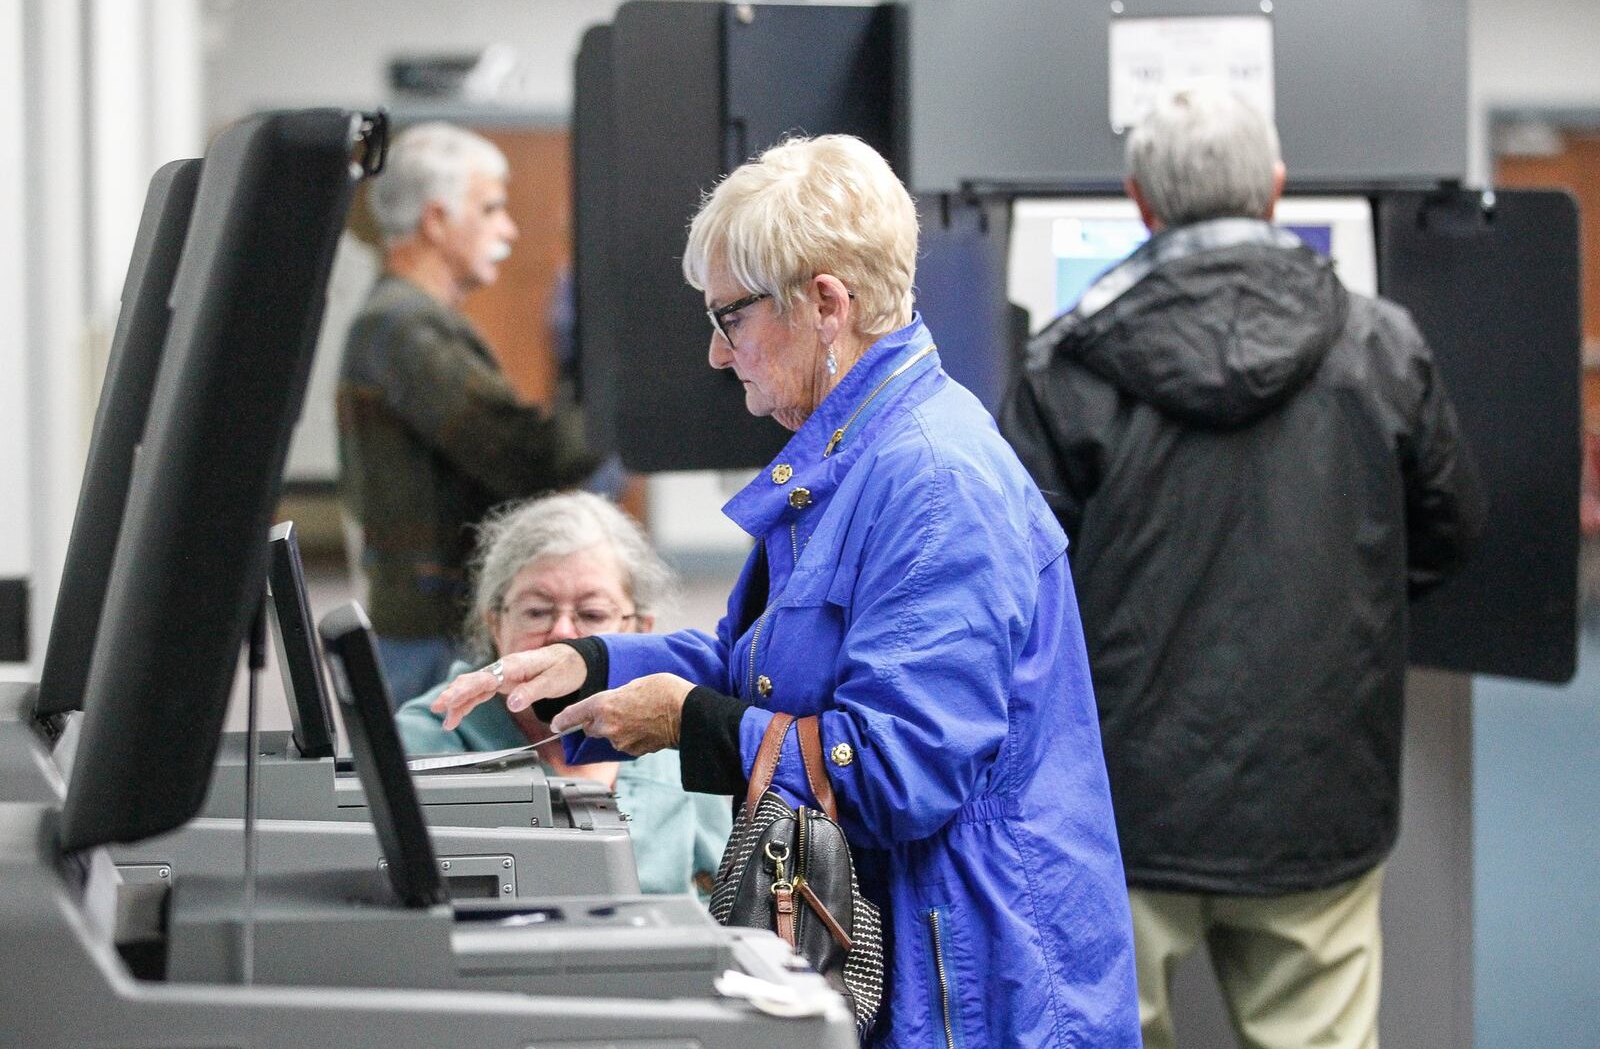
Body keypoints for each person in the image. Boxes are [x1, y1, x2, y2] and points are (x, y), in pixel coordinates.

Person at [433, 134, 1141, 1046]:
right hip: (932, 955)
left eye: (732, 316)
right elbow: (753, 666)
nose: (721, 355)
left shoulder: (930, 481)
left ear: (827, 305)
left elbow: (899, 770)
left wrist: (692, 722)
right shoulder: (854, 459)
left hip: (979, 983)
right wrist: (585, 661)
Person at [998, 85, 1488, 1049]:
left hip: (1121, 805)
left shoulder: (1067, 368)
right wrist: (1357, 601)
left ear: (1141, 201)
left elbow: (1020, 587)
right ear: (1273, 189)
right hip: (1320, 789)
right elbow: (1451, 529)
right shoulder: (1381, 344)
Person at [337, 122, 597, 706]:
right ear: (436, 220)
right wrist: (602, 380)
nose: (507, 229)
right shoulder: (405, 325)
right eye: (491, 208)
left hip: (430, 624)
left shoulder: (405, 319)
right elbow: (532, 459)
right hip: (433, 636)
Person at [396, 491, 730, 897]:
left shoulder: (677, 733)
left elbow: (726, 908)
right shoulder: (426, 740)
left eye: (591, 614)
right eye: (537, 611)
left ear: (640, 631)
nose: (562, 634)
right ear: (495, 624)